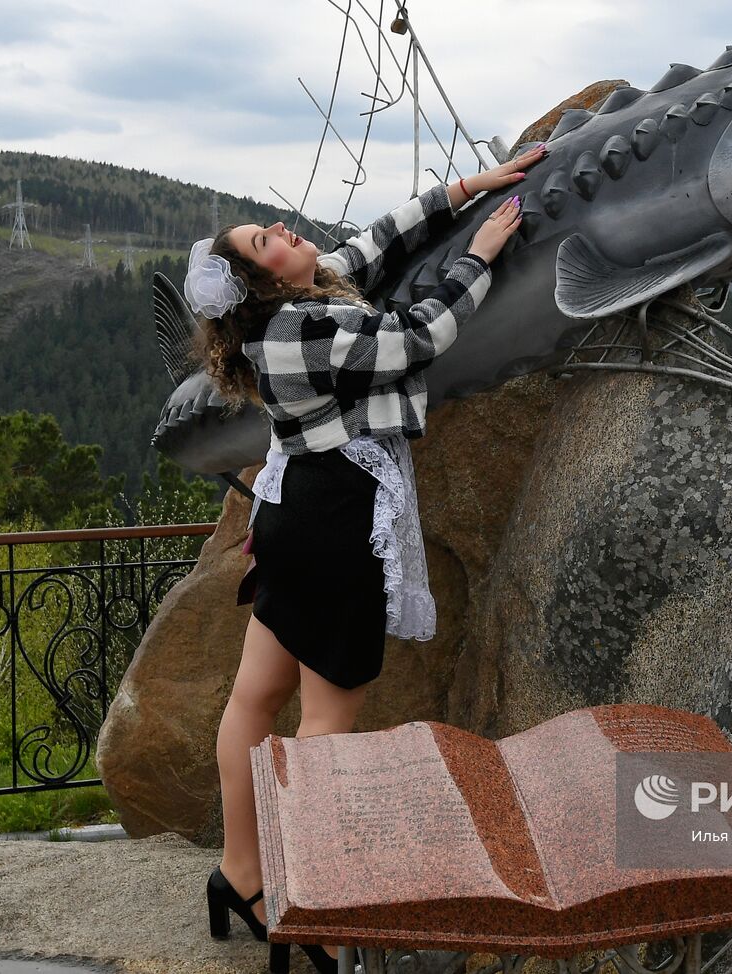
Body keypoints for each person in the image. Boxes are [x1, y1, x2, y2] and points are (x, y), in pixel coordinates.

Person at [189, 144, 547, 974]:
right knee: (326, 721)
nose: (280, 229)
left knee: (255, 700)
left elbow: (373, 246)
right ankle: (308, 908)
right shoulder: (312, 326)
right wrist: (483, 251)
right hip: (333, 524)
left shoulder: (293, 308)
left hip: (292, 514)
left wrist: (465, 188)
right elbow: (418, 336)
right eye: (264, 241)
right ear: (266, 281)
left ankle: (240, 875)